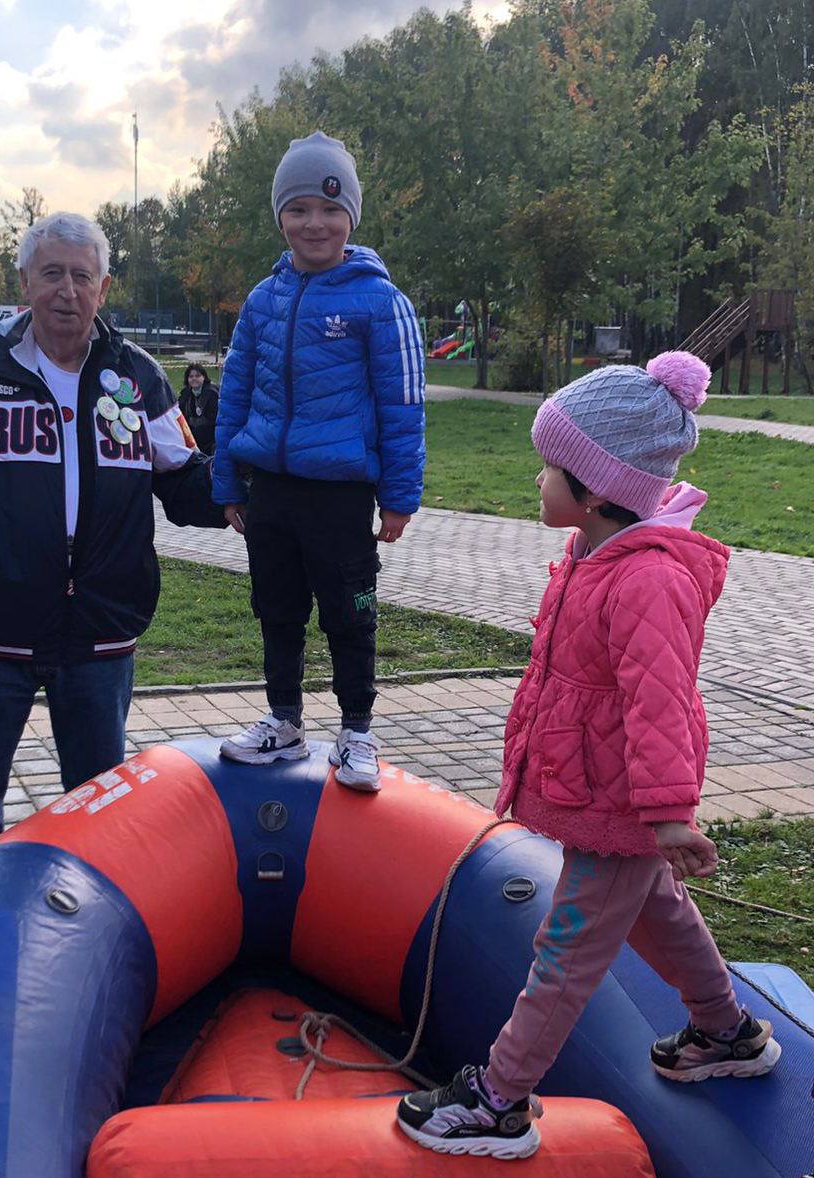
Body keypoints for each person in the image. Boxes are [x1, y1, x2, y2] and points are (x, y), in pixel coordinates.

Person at [396, 353, 780, 1160]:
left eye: (550, 467)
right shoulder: (591, 554)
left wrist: (667, 815)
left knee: (564, 951)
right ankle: (727, 1031)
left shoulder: (647, 581)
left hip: (623, 804)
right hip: (601, 793)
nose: (537, 479)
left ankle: (500, 1099)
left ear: (599, 491)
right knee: (657, 911)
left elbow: (660, 703)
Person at [0, 212, 225, 872]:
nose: (67, 291)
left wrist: (249, 485)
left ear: (103, 287)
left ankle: (86, 922)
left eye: (83, 276)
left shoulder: (138, 377)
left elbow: (185, 481)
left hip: (100, 635)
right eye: (52, 274)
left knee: (99, 808)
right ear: (25, 282)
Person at [212, 130, 425, 791]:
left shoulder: (381, 302)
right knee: (276, 609)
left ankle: (356, 731)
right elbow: (234, 395)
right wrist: (227, 480)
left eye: (331, 209)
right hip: (271, 492)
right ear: (280, 216)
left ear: (351, 217)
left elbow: (403, 404)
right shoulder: (262, 301)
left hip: (339, 495)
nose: (315, 223)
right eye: (299, 208)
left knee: (349, 613)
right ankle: (283, 721)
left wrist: (399, 497)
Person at [177, 363, 219, 455]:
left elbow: (215, 419)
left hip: (210, 435)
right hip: (190, 432)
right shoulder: (185, 394)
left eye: (197, 376)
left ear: (204, 377)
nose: (194, 379)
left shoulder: (212, 393)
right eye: (191, 376)